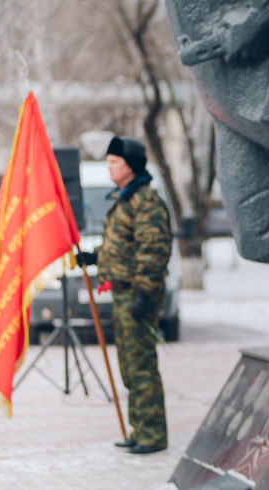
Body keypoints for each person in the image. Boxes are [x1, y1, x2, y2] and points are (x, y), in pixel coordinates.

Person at [77, 136, 172, 455]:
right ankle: (140, 428)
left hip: (137, 292)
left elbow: (153, 249)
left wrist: (144, 293)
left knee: (141, 364)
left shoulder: (145, 201)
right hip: (122, 292)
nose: (109, 167)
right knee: (131, 366)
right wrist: (96, 257)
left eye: (114, 162)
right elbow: (123, 247)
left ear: (130, 166)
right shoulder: (126, 199)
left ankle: (153, 435)